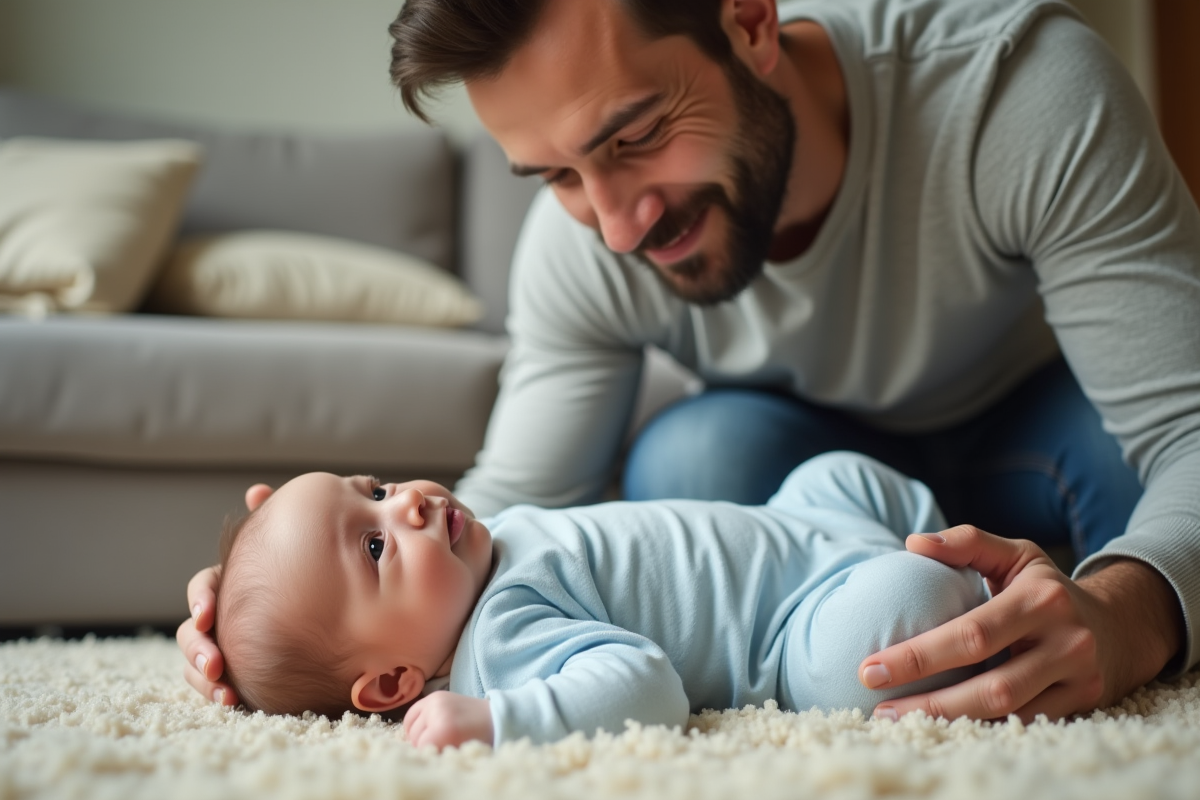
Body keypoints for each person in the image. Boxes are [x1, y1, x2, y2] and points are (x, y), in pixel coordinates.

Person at [179, 0, 1199, 722]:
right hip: (817, 500)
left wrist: (1125, 614)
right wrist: (289, 603)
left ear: (748, 20)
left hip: (1051, 433)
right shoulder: (580, 242)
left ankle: (1056, 583)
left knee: (1148, 505)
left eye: (636, 136)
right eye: (556, 175)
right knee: (690, 459)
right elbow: (516, 508)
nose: (616, 227)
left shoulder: (1014, 91)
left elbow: (1190, 430)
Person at [213, 452, 988, 749]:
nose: (407, 503)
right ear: (392, 683)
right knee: (870, 649)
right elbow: (649, 689)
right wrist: (497, 722)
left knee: (833, 471)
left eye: (376, 490)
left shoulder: (486, 545)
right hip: (797, 628)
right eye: (375, 547)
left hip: (798, 523)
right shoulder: (498, 645)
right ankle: (966, 582)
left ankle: (953, 553)